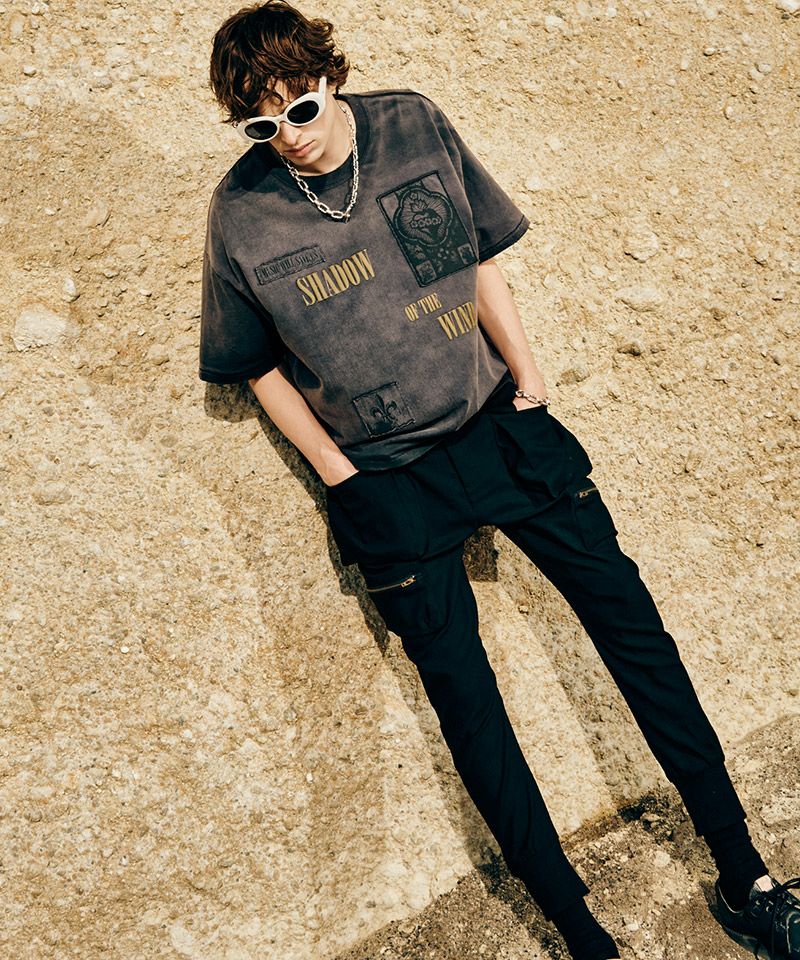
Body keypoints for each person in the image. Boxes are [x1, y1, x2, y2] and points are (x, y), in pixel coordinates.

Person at [198, 3, 800, 958]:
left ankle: (747, 878)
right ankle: (583, 937)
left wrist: (529, 376)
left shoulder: (409, 126)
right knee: (471, 713)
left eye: (300, 110)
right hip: (387, 483)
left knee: (636, 639)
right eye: (261, 125)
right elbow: (253, 363)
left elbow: (466, 256)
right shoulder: (242, 210)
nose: (289, 138)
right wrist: (340, 475)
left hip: (498, 428)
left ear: (331, 79)